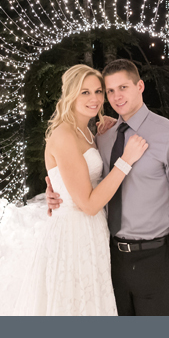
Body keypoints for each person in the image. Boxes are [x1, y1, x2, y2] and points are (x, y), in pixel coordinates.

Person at [47, 59, 169, 316]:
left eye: (124, 87)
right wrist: (55, 190)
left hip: (156, 260)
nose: (116, 96)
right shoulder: (103, 136)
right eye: (109, 91)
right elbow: (82, 175)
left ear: (139, 86)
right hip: (109, 260)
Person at [14, 64, 148, 315]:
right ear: (69, 94)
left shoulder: (86, 131)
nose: (94, 98)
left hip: (92, 231)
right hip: (73, 236)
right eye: (84, 92)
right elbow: (87, 204)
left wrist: (107, 128)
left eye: (98, 91)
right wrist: (126, 161)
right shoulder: (64, 134)